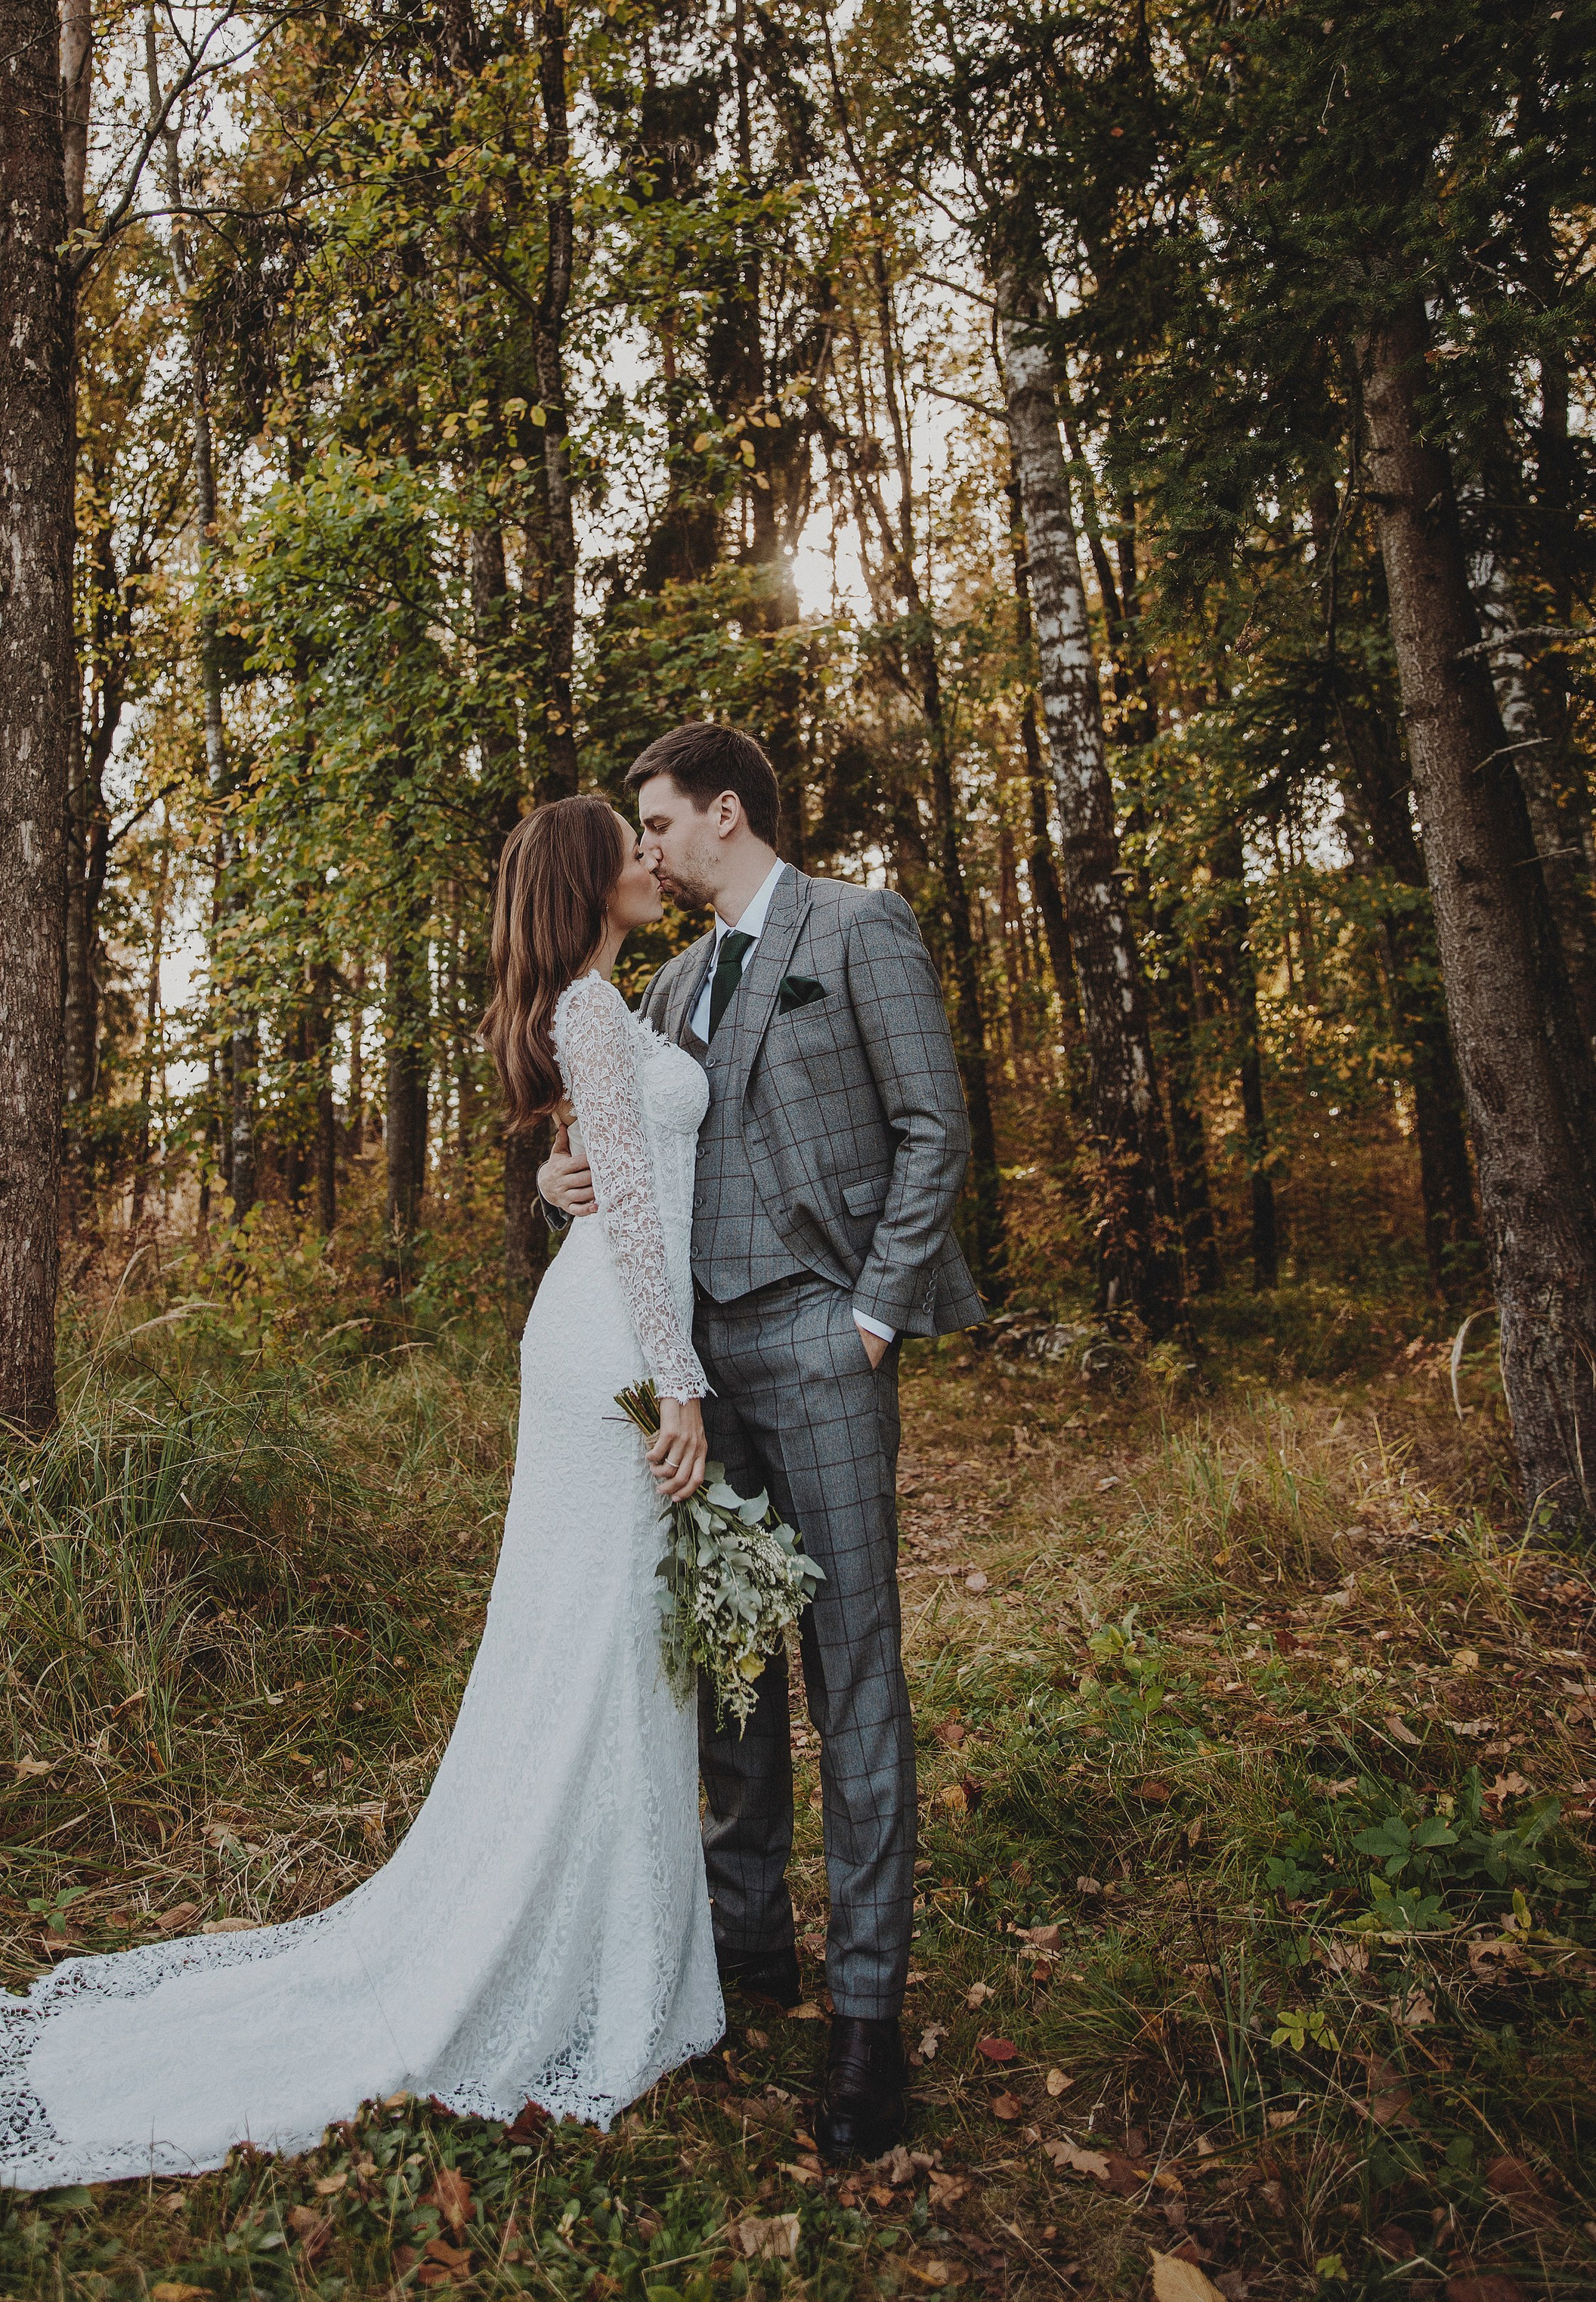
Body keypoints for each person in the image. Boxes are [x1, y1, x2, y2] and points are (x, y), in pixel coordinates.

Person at [0, 795, 722, 2192]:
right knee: (598, 1648)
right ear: (592, 876)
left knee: (598, 1648)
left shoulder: (606, 1004)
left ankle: (618, 1943)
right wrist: (684, 1382)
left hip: (604, 1334)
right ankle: (578, 1959)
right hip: (616, 1353)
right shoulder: (594, 1012)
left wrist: (564, 1178)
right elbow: (640, 1220)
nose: (655, 861)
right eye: (633, 846)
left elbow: (628, 1175)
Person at [540, 722, 981, 2162]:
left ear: (725, 815)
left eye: (659, 824)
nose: (646, 850)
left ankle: (866, 2016)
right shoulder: (663, 983)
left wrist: (872, 1317)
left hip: (822, 1344)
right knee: (728, 1669)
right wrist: (562, 1182)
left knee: (850, 1667)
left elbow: (934, 1128)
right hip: (697, 1376)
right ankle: (751, 1946)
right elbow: (631, 1141)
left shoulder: (859, 930)